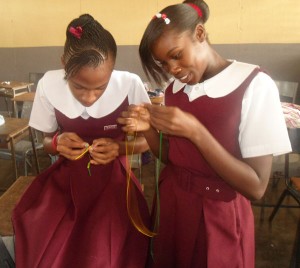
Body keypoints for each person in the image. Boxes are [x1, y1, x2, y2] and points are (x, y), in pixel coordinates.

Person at [117, 1, 292, 267]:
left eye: (176, 55)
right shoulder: (175, 90)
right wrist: (149, 131)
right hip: (174, 206)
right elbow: (174, 158)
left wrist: (196, 131)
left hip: (218, 214)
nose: (172, 69)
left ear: (200, 34)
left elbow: (256, 186)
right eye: (163, 63)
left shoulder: (254, 85)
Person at [12, 14, 151, 268]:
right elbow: (46, 140)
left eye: (101, 87)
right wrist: (57, 143)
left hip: (114, 184)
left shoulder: (129, 85)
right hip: (67, 182)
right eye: (78, 87)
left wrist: (119, 148)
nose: (89, 97)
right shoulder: (48, 84)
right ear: (64, 63)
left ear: (113, 68)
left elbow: (150, 142)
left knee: (104, 250)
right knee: (41, 237)